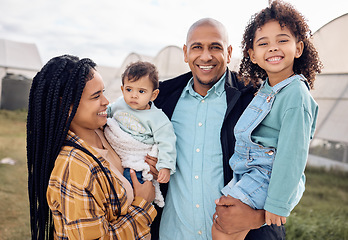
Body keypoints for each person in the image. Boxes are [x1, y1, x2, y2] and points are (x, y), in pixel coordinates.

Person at [148, 18, 286, 240]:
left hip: (240, 235)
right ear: (185, 53)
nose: (205, 56)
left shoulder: (256, 99)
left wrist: (258, 217)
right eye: (197, 47)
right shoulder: (161, 98)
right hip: (173, 233)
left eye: (215, 47)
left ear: (229, 53)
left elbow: (287, 167)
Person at [212, 1, 322, 239]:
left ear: (299, 48)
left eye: (282, 40)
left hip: (268, 174)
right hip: (249, 171)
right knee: (223, 218)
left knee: (225, 224)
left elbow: (293, 154)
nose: (273, 48)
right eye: (263, 43)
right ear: (252, 55)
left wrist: (277, 204)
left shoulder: (295, 94)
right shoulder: (265, 89)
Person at [27, 55, 157, 240]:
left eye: (103, 92)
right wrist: (142, 205)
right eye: (96, 96)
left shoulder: (107, 131)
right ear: (67, 106)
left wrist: (147, 164)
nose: (106, 101)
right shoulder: (74, 168)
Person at [105, 61, 176, 208]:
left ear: (154, 95)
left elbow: (167, 143)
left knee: (131, 182)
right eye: (129, 89)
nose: (134, 96)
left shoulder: (157, 118)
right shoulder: (119, 104)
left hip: (137, 157)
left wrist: (165, 166)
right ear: (122, 89)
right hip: (117, 149)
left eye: (141, 91)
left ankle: (130, 210)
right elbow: (107, 114)